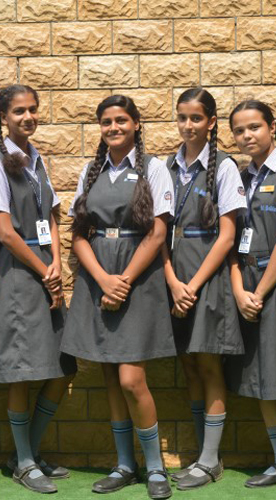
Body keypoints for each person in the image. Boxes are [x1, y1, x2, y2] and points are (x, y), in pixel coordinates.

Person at [61, 95, 175, 499]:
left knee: (131, 378)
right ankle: (125, 464)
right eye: (107, 121)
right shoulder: (91, 172)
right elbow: (78, 234)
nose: (114, 127)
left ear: (136, 124)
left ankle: (156, 467)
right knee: (110, 376)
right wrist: (102, 279)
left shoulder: (154, 169)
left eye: (121, 120)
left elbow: (158, 234)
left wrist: (122, 281)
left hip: (137, 279)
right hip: (98, 277)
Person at [0, 84, 77, 494]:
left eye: (33, 109)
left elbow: (51, 218)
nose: (28, 117)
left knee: (63, 367)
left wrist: (55, 263)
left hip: (45, 272)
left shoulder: (36, 159)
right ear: (4, 117)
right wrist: (43, 270)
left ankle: (28, 452)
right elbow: (5, 232)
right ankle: (23, 462)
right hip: (20, 276)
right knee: (21, 371)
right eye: (19, 111)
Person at [161, 88, 246, 490]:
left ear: (211, 122)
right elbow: (159, 231)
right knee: (190, 365)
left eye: (196, 118)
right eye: (182, 117)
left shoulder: (224, 167)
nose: (188, 125)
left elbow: (227, 236)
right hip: (175, 280)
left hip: (206, 282)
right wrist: (171, 281)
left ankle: (211, 460)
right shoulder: (167, 166)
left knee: (210, 365)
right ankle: (200, 456)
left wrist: (191, 286)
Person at [225, 99, 276, 489]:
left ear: (272, 127)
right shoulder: (242, 179)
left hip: (268, 286)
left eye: (254, 127)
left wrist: (257, 292)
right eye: (239, 130)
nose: (247, 136)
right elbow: (231, 241)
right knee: (264, 378)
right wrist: (240, 291)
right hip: (248, 287)